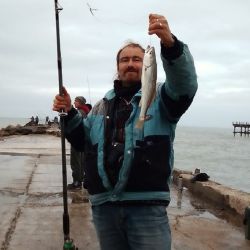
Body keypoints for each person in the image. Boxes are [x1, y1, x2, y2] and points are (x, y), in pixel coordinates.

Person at [53, 13, 198, 250]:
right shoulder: (100, 106)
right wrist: (69, 112)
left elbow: (185, 85)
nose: (131, 64)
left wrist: (171, 46)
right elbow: (82, 141)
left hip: (147, 208)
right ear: (118, 67)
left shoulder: (162, 99)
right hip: (104, 208)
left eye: (138, 59)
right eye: (125, 60)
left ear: (147, 65)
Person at [67, 96, 91, 190]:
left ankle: (77, 181)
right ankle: (80, 179)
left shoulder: (80, 112)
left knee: (75, 161)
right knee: (81, 161)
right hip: (84, 140)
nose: (74, 102)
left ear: (80, 102)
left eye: (76, 101)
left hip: (78, 140)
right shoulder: (87, 111)